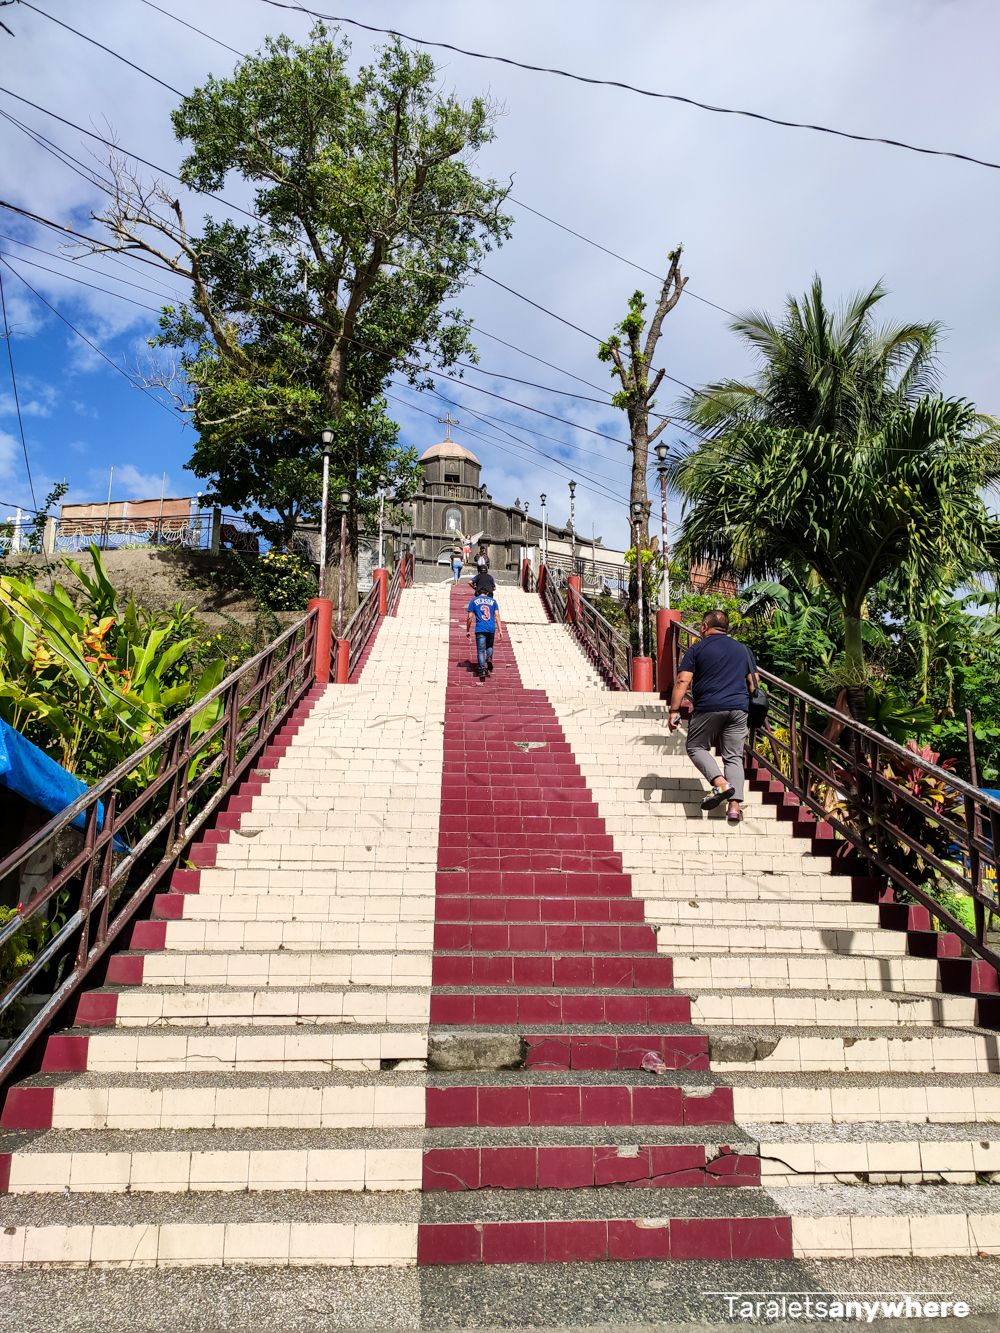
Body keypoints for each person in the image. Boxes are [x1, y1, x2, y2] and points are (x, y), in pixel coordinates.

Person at [667, 609, 759, 825]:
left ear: (704, 627)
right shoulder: (743, 650)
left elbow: (682, 680)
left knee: (696, 747)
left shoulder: (697, 649)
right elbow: (755, 683)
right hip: (739, 708)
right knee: (734, 756)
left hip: (709, 707)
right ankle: (734, 808)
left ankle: (720, 783)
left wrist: (674, 711)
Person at [466, 587, 503, 683]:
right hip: (491, 627)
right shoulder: (493, 601)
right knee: (489, 646)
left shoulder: (474, 601)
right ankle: (489, 658)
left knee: (481, 650)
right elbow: (497, 616)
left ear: (477, 593)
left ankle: (482, 670)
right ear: (487, 593)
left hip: (480, 628)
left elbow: (470, 617)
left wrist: (467, 630)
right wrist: (500, 630)